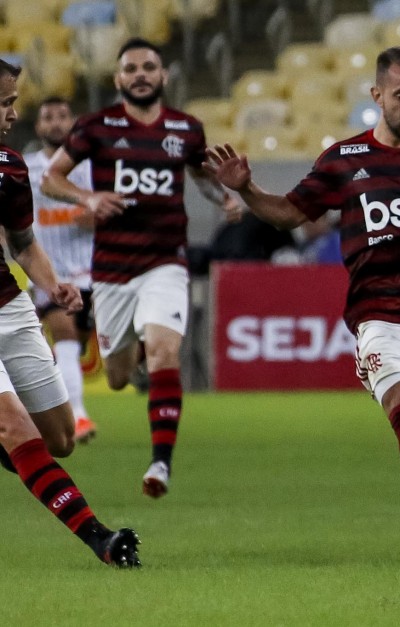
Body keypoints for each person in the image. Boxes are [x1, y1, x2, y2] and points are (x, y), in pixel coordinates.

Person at [205, 46, 400, 529]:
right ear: (377, 95)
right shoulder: (344, 159)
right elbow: (289, 212)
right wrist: (247, 190)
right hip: (382, 315)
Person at [41, 38, 240, 498]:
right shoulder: (97, 127)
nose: (140, 75)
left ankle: (160, 464)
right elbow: (52, 178)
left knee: (166, 353)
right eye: (131, 68)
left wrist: (226, 196)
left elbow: (201, 175)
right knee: (115, 374)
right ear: (118, 79)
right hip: (111, 271)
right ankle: (134, 365)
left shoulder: (186, 129)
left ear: (163, 76)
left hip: (166, 261)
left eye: (149, 66)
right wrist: (88, 197)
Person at [0, 58, 140, 567]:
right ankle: (101, 539)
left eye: (14, 101)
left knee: (58, 440)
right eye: (4, 103)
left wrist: (53, 285)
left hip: (9, 307)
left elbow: (23, 243)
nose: (13, 113)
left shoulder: (10, 167)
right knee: (13, 426)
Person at [25, 96, 98, 443]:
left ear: (73, 122)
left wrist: (98, 215)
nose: (55, 123)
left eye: (62, 115)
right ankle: (79, 416)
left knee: (88, 350)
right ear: (38, 126)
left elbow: (116, 209)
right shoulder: (24, 169)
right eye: (48, 117)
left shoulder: (90, 167)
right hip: (51, 277)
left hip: (95, 274)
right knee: (65, 337)